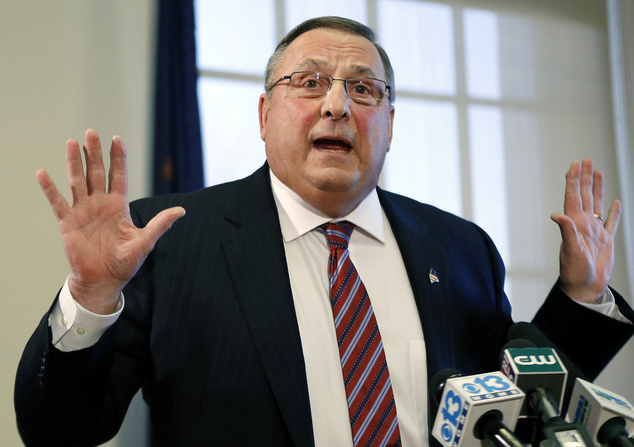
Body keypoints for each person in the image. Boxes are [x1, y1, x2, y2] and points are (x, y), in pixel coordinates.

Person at [15, 16, 634, 447]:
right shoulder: (169, 237)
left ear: (390, 122)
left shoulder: (459, 246)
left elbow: (516, 406)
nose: (337, 105)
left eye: (363, 89)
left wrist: (582, 298)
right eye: (309, 83)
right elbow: (60, 430)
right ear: (264, 114)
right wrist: (92, 298)